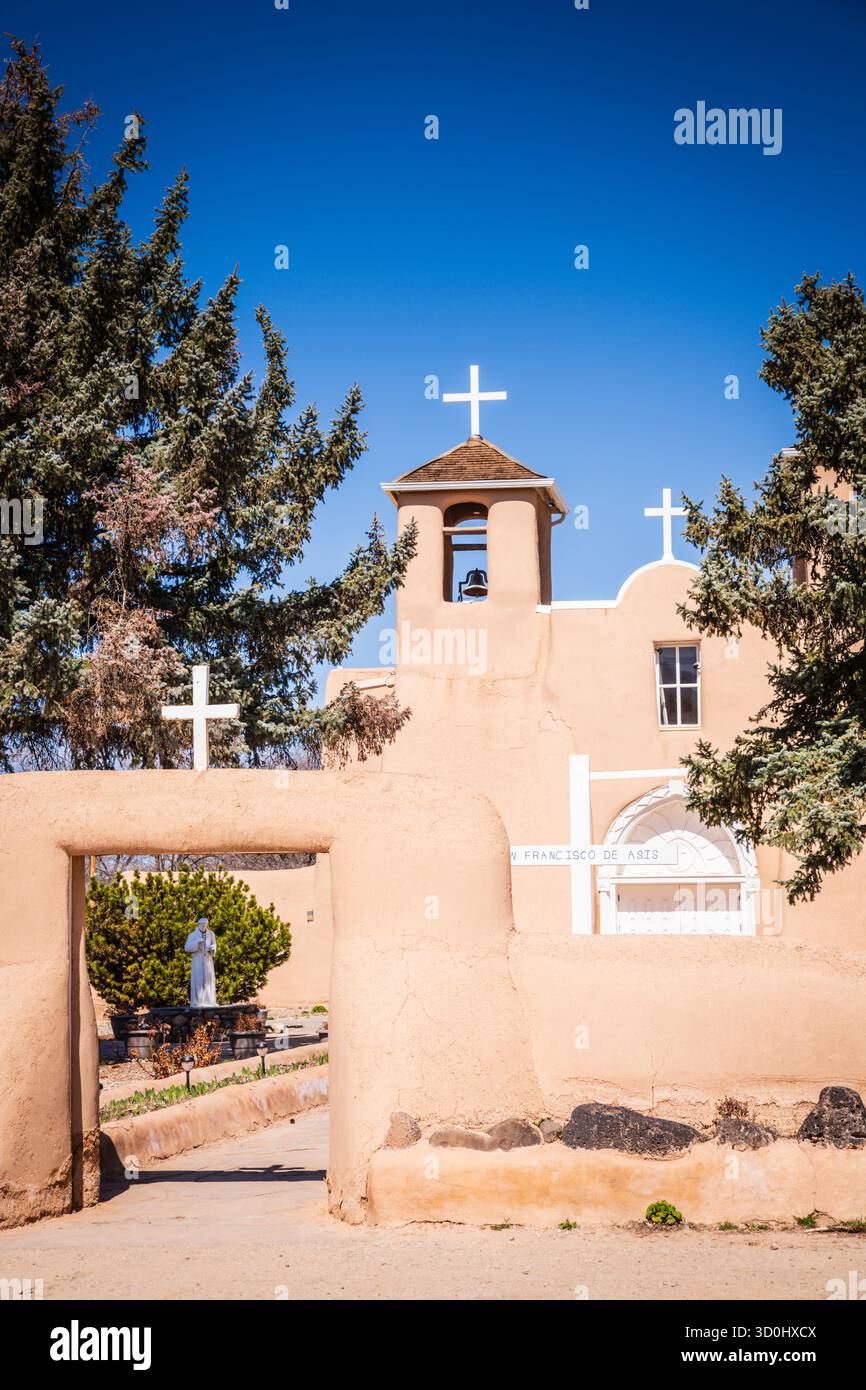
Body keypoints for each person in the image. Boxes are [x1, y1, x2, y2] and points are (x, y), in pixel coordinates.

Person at [184, 915, 217, 1007]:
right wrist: (196, 942)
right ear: (199, 924)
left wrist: (213, 948)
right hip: (197, 959)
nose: (204, 926)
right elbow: (186, 947)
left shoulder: (211, 934)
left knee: (209, 979)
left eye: (205, 924)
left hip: (208, 960)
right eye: (202, 924)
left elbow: (214, 944)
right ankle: (198, 1001)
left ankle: (210, 1001)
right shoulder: (193, 935)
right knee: (198, 979)